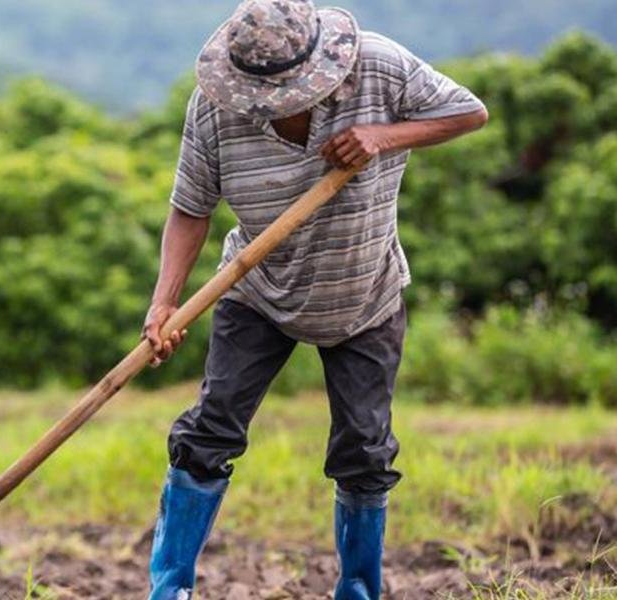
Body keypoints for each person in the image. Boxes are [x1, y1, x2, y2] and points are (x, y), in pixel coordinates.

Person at [142, 1, 488, 598]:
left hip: (364, 293)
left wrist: (384, 135)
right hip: (256, 291)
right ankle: (168, 589)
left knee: (365, 450)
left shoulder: (378, 67)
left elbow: (469, 112)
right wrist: (163, 305)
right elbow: (190, 208)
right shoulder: (215, 110)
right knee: (209, 432)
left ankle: (358, 589)